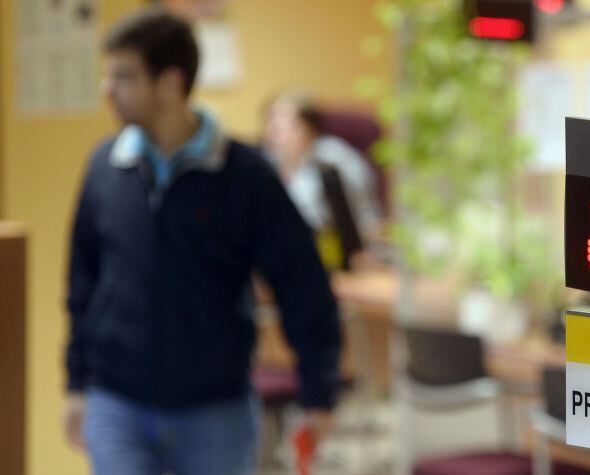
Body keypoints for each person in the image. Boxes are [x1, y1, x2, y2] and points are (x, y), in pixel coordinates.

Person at [63, 7, 340, 475]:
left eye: (123, 77)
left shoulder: (245, 175)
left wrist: (319, 393)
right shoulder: (104, 167)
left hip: (215, 410)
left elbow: (302, 284)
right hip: (117, 403)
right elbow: (82, 283)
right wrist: (76, 383)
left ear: (170, 83)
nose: (106, 91)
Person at [261, 91, 382, 240]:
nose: (273, 134)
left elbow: (365, 211)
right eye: (270, 125)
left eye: (284, 128)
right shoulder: (265, 162)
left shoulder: (334, 158)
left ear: (310, 129)